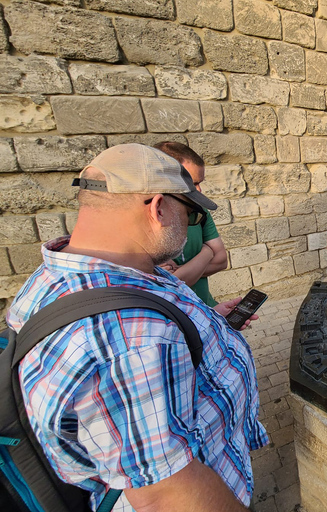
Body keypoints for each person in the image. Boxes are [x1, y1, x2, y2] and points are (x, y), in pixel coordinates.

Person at [6, 144, 268, 512]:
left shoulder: (81, 270)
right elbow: (166, 494)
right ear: (158, 208)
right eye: (190, 213)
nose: (192, 225)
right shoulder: (125, 337)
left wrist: (213, 324)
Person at [154, 141, 227, 307]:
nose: (199, 190)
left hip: (206, 307)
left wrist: (181, 272)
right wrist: (208, 252)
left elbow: (221, 260)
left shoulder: (199, 211)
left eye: (199, 182)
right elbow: (170, 283)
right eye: (192, 184)